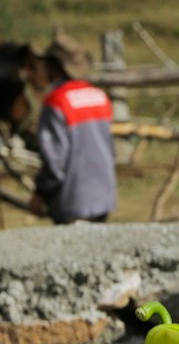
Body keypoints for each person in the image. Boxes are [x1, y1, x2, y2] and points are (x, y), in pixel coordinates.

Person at [30, 34, 117, 224]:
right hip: (103, 196)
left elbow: (55, 161)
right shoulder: (100, 96)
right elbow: (109, 149)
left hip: (72, 200)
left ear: (53, 66)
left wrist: (40, 193)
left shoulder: (56, 101)